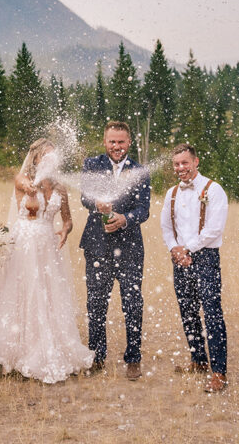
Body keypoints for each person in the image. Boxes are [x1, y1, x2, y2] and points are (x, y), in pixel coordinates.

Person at [0, 139, 95, 383]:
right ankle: (18, 349)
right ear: (36, 159)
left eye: (54, 157)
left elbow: (67, 220)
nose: (51, 161)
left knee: (49, 293)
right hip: (24, 243)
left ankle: (51, 344)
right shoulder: (23, 179)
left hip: (47, 246)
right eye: (46, 156)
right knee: (24, 291)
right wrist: (33, 185)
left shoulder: (61, 188)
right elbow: (25, 185)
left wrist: (65, 230)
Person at [79, 121, 151, 380]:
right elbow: (84, 197)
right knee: (96, 303)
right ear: (105, 141)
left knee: (132, 303)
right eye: (112, 141)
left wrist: (125, 218)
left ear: (129, 142)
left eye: (121, 142)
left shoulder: (141, 170)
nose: (117, 147)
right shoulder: (92, 165)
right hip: (97, 245)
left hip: (130, 247)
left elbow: (144, 209)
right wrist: (94, 203)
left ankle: (133, 358)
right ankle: (97, 356)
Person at [159, 143, 229, 393]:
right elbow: (166, 226)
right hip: (180, 258)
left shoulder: (214, 189)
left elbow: (214, 230)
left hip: (206, 257)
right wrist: (175, 249)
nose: (180, 168)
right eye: (176, 164)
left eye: (185, 163)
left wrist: (187, 249)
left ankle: (219, 372)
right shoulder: (171, 193)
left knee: (212, 314)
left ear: (196, 162)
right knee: (187, 312)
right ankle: (198, 360)